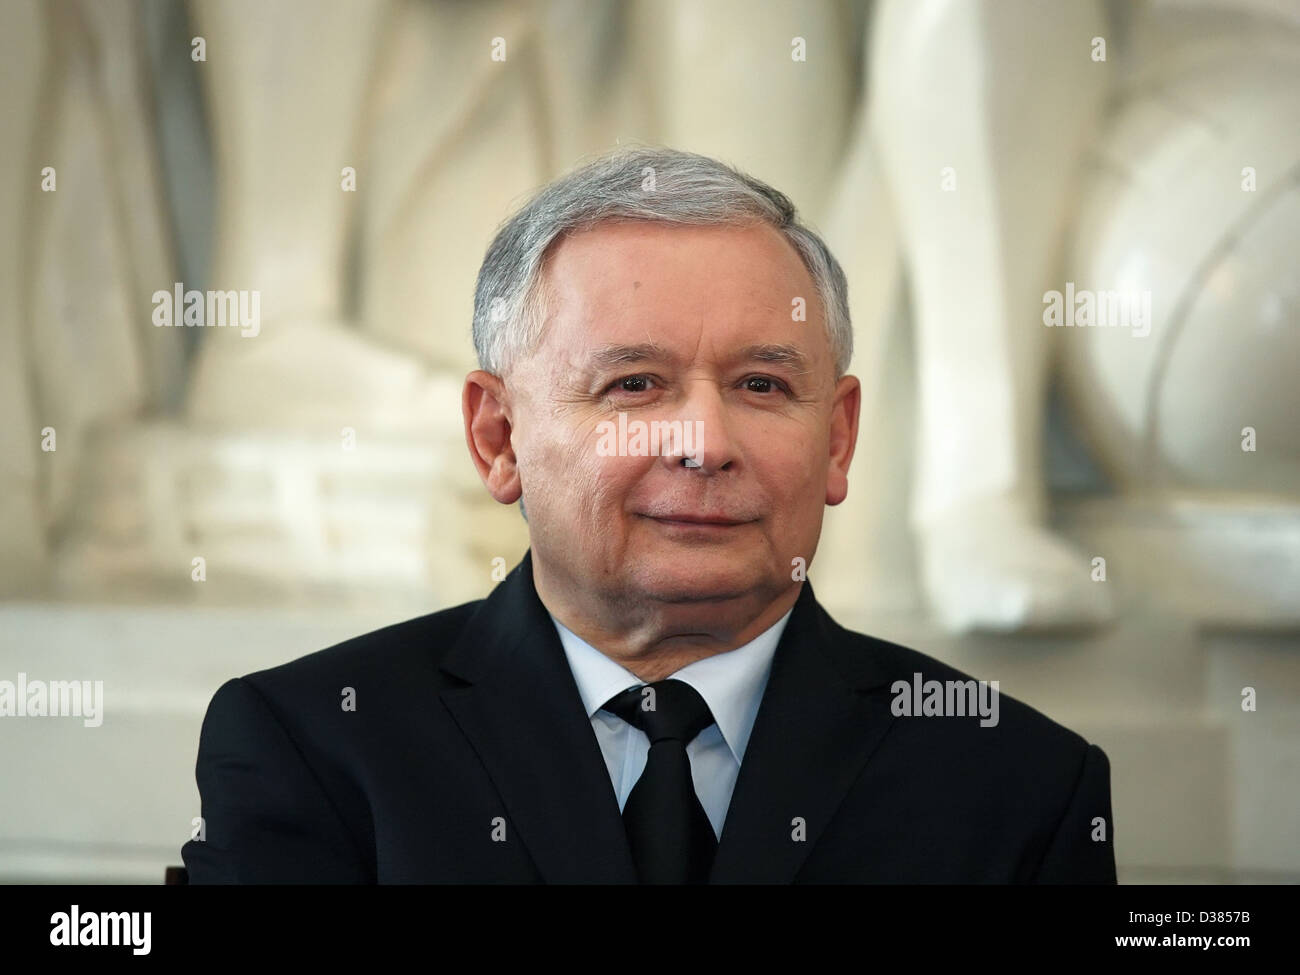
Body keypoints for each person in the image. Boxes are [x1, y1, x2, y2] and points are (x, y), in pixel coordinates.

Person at [180, 146, 1116, 883]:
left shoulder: (1018, 782)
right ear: (499, 436)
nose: (704, 442)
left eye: (761, 383)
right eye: (634, 385)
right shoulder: (315, 745)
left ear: (836, 439)